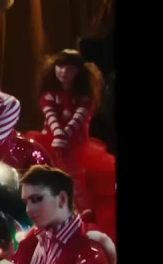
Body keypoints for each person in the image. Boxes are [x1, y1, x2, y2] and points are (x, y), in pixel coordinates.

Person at [23, 49, 117, 223]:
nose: (64, 72)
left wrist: (64, 135)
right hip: (50, 140)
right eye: (60, 67)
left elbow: (79, 118)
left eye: (70, 68)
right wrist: (58, 134)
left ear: (78, 72)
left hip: (76, 144)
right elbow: (50, 115)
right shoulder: (49, 94)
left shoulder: (84, 97)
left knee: (75, 176)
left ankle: (82, 210)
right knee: (47, 175)